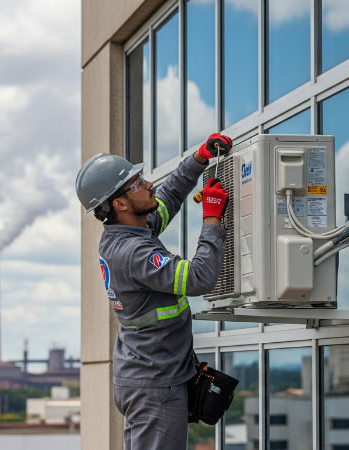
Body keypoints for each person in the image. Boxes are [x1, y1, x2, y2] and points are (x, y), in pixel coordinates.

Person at [75, 133, 232, 450]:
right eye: (136, 183)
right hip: (155, 386)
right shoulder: (133, 252)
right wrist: (212, 217)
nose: (147, 184)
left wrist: (198, 159)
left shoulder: (129, 229)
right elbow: (198, 278)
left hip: (147, 378)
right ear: (119, 203)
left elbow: (169, 197)